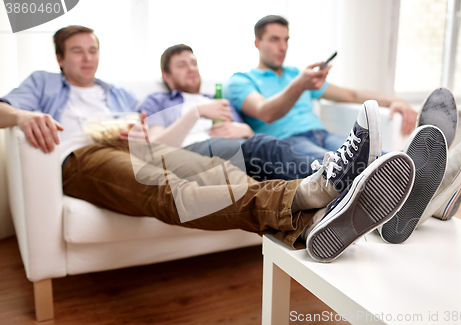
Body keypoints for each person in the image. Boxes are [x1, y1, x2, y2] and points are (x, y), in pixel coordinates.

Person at [0, 25, 416, 262]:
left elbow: (148, 135)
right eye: (77, 52)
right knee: (171, 193)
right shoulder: (42, 83)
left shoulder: (118, 94)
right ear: (60, 58)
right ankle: (316, 189)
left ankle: (317, 218)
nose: (88, 58)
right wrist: (24, 116)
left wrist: (140, 133)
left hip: (134, 149)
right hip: (82, 156)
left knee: (224, 173)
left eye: (93, 50)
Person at [225, 15, 418, 161]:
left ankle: (420, 164)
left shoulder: (295, 74)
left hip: (322, 135)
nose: (283, 47)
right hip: (287, 142)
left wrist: (394, 100)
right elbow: (265, 111)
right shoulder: (241, 80)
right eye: (275, 39)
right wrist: (300, 84)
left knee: (386, 158)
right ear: (257, 43)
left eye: (286, 40)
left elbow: (350, 94)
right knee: (341, 165)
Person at [139, 44, 317, 182]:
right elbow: (156, 146)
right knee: (264, 147)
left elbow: (248, 134)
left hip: (235, 149)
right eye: (182, 65)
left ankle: (328, 187)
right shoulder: (158, 101)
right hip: (192, 152)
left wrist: (244, 129)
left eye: (194, 63)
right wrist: (197, 112)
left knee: (270, 152)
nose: (192, 68)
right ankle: (331, 182)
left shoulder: (217, 99)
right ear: (167, 76)